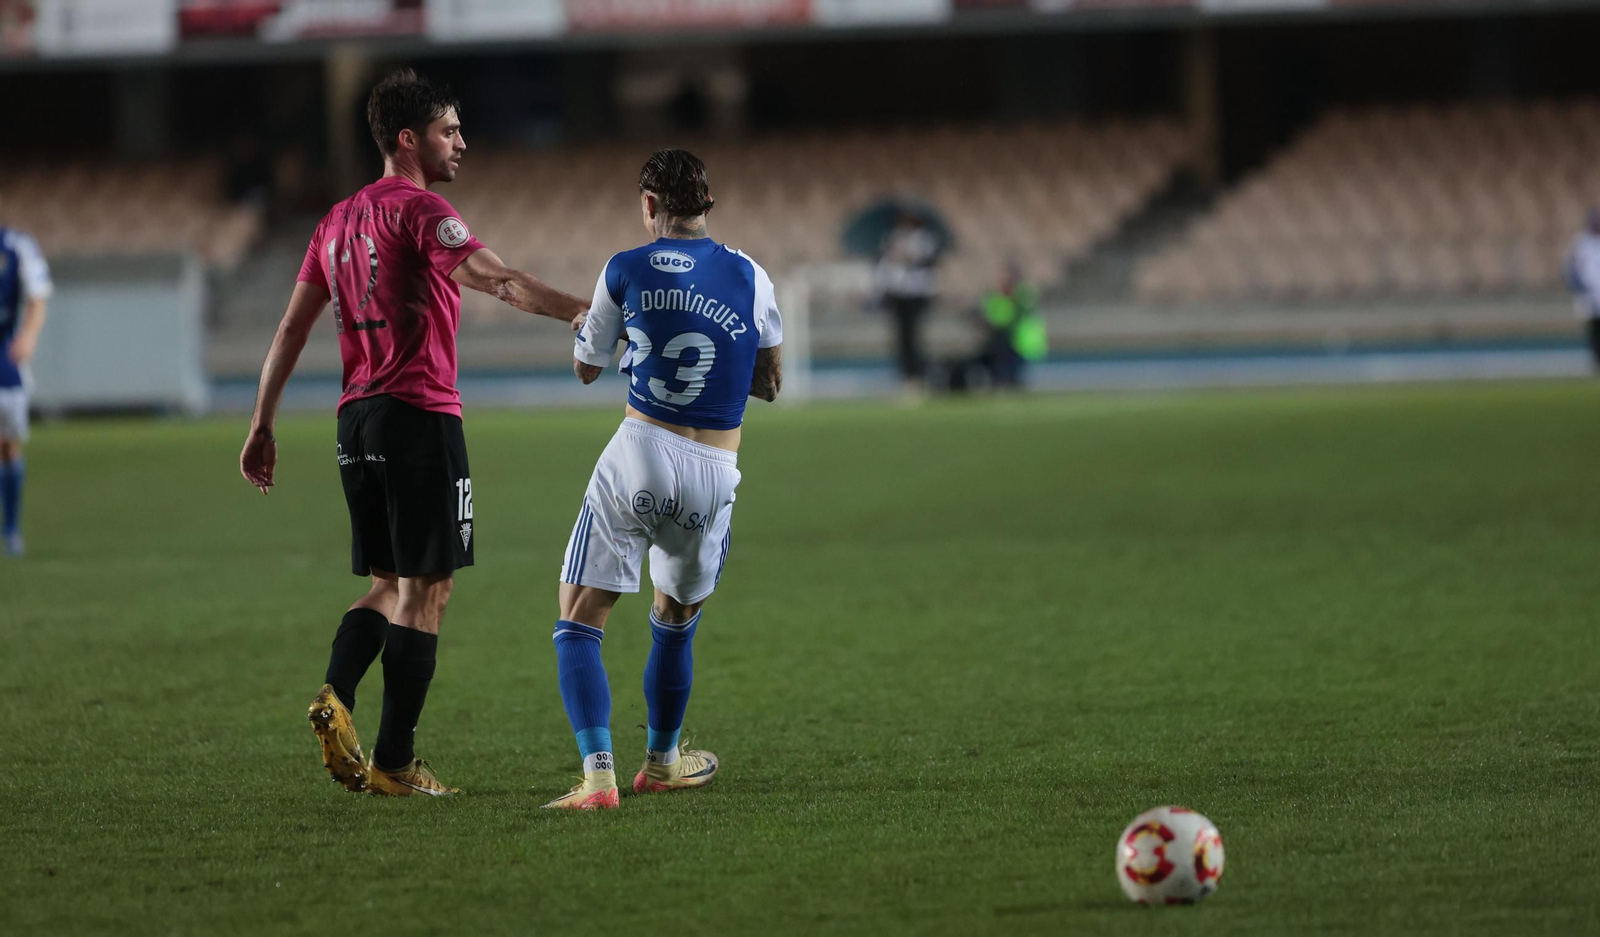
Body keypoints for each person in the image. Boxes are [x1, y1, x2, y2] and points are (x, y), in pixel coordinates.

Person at [238, 69, 588, 797]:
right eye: (449, 130)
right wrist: (584, 312)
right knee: (426, 591)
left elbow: (291, 327)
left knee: (389, 583)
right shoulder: (424, 211)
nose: (461, 141)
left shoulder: (334, 221)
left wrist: (261, 422)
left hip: (356, 419)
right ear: (409, 139)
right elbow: (500, 281)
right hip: (420, 414)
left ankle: (336, 693)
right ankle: (395, 763)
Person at [542, 148, 783, 810]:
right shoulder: (751, 274)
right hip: (714, 471)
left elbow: (588, 366)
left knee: (580, 618)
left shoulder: (624, 267)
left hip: (644, 450)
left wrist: (600, 333)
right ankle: (665, 760)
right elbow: (769, 381)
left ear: (649, 205)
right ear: (707, 204)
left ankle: (598, 779)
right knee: (674, 619)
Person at [0, 219, 51, 557]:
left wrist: (29, 335)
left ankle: (12, 529)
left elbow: (38, 295)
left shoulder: (16, 245)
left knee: (7, 446)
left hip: (4, 358)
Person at [874, 213, 940, 392]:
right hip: (898, 293)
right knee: (902, 338)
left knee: (914, 337)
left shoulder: (924, 238)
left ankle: (918, 377)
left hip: (916, 293)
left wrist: (904, 255)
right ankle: (906, 377)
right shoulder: (893, 237)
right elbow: (886, 265)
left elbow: (922, 261)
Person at [977, 264, 1047, 389]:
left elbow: (1026, 308)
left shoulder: (1021, 295)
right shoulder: (996, 297)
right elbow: (990, 315)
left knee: (1017, 368)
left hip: (1018, 340)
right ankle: (1004, 383)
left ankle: (1013, 383)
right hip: (1001, 338)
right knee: (1003, 366)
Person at [1564, 207, 1600, 371]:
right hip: (1589, 293)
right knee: (1594, 328)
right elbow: (1570, 268)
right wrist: (1579, 287)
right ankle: (1596, 360)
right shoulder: (1581, 242)